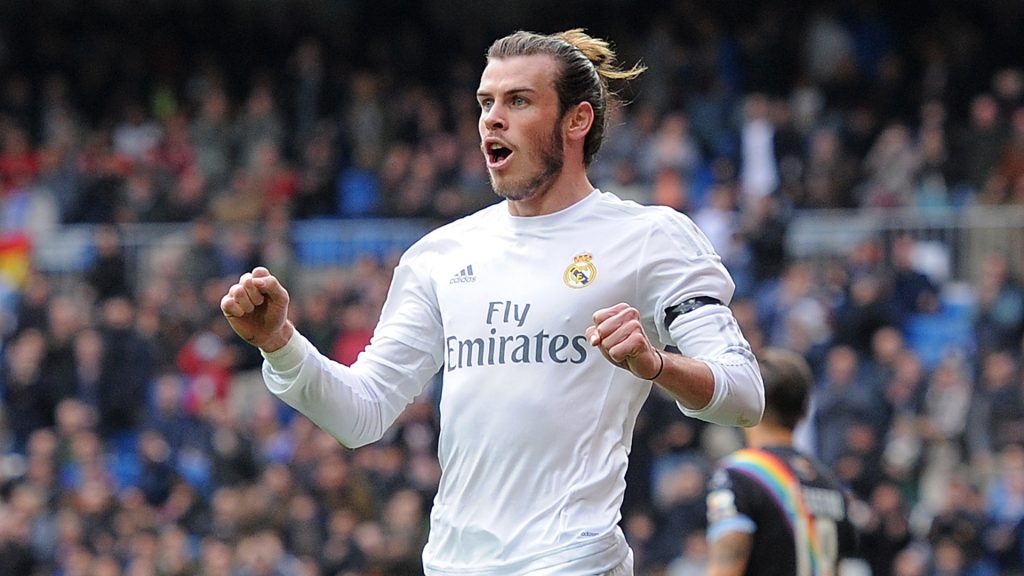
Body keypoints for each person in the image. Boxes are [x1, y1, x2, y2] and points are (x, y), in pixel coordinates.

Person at [221, 28, 764, 576]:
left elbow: (743, 395)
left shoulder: (650, 237)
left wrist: (657, 365)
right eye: (486, 102)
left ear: (577, 120)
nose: (491, 119)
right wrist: (278, 343)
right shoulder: (439, 254)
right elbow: (362, 413)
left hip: (573, 561)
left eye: (518, 101)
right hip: (453, 565)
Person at [705, 347, 858, 576]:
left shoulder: (740, 474)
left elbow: (725, 567)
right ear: (805, 411)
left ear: (748, 400)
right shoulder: (830, 483)